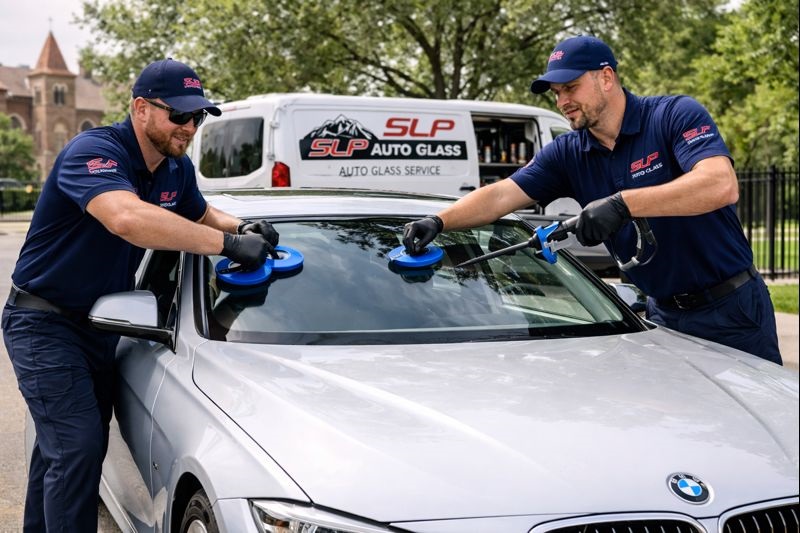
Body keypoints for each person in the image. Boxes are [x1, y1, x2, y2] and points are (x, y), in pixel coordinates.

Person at [1, 58, 279, 532]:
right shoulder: (94, 151)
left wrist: (244, 227)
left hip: (103, 325)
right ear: (141, 109)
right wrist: (229, 246)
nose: (189, 127)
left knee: (61, 454)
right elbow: (126, 218)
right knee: (77, 447)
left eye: (198, 117)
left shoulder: (175, 168)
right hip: (44, 322)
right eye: (179, 115)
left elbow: (200, 214)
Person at [403, 35, 781, 366]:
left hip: (732, 310)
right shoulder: (569, 152)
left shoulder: (672, 116)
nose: (563, 100)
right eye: (557, 92)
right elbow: (502, 194)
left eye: (570, 87)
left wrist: (622, 203)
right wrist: (439, 221)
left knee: (756, 431)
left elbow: (719, 185)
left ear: (606, 78)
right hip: (662, 315)